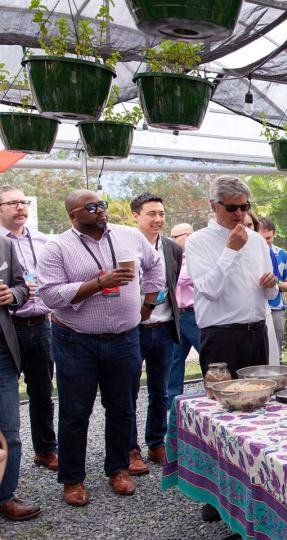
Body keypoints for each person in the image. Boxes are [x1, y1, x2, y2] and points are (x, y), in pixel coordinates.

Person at [38, 190, 164, 506]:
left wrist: (148, 303)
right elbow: (50, 296)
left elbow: (156, 264)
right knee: (75, 411)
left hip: (125, 338)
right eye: (91, 207)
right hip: (76, 341)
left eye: (102, 205)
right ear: (73, 215)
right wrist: (99, 282)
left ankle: (118, 469)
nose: (100, 211)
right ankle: (73, 479)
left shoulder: (129, 236)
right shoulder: (58, 247)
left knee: (122, 406)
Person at [185, 177, 278, 378]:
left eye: (244, 207)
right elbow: (209, 290)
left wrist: (271, 283)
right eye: (231, 208)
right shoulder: (197, 241)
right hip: (221, 337)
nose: (239, 213)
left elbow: (271, 294)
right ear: (213, 206)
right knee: (223, 402)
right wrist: (231, 250)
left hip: (257, 333)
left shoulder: (256, 240)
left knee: (260, 400)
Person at [0, 186, 57, 472]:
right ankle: (7, 458)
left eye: (23, 202)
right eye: (12, 203)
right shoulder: (0, 243)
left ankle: (45, 450)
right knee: (6, 395)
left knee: (42, 391)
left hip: (40, 324)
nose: (20, 207)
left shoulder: (45, 240)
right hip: (8, 328)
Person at [128, 193, 183, 475]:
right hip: (132, 329)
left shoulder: (172, 248)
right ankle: (129, 448)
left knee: (160, 391)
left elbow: (174, 287)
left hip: (163, 329)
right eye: (151, 214)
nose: (158, 219)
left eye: (161, 213)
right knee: (127, 392)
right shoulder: (125, 247)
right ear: (135, 216)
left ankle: (156, 442)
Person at [0, 228, 40, 520]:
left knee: (10, 431)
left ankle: (5, 496)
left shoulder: (4, 245)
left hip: (2, 351)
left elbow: (22, 287)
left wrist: (12, 294)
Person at [242, 211, 280, 366]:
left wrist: (272, 282)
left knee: (269, 364)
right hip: (232, 329)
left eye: (249, 225)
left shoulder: (263, 247)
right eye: (242, 225)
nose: (245, 229)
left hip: (262, 316)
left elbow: (274, 286)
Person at [169, 223, 199, 398]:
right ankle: (172, 399)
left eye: (175, 237)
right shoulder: (173, 257)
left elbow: (180, 279)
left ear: (187, 236)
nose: (171, 241)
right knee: (175, 358)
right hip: (176, 315)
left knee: (206, 354)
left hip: (193, 314)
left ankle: (212, 391)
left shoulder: (194, 258)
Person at [258, 217, 287, 360]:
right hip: (258, 309)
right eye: (262, 238)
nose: (266, 242)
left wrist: (274, 283)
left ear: (274, 234)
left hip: (276, 308)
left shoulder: (282, 254)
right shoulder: (252, 254)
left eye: (269, 238)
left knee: (276, 350)